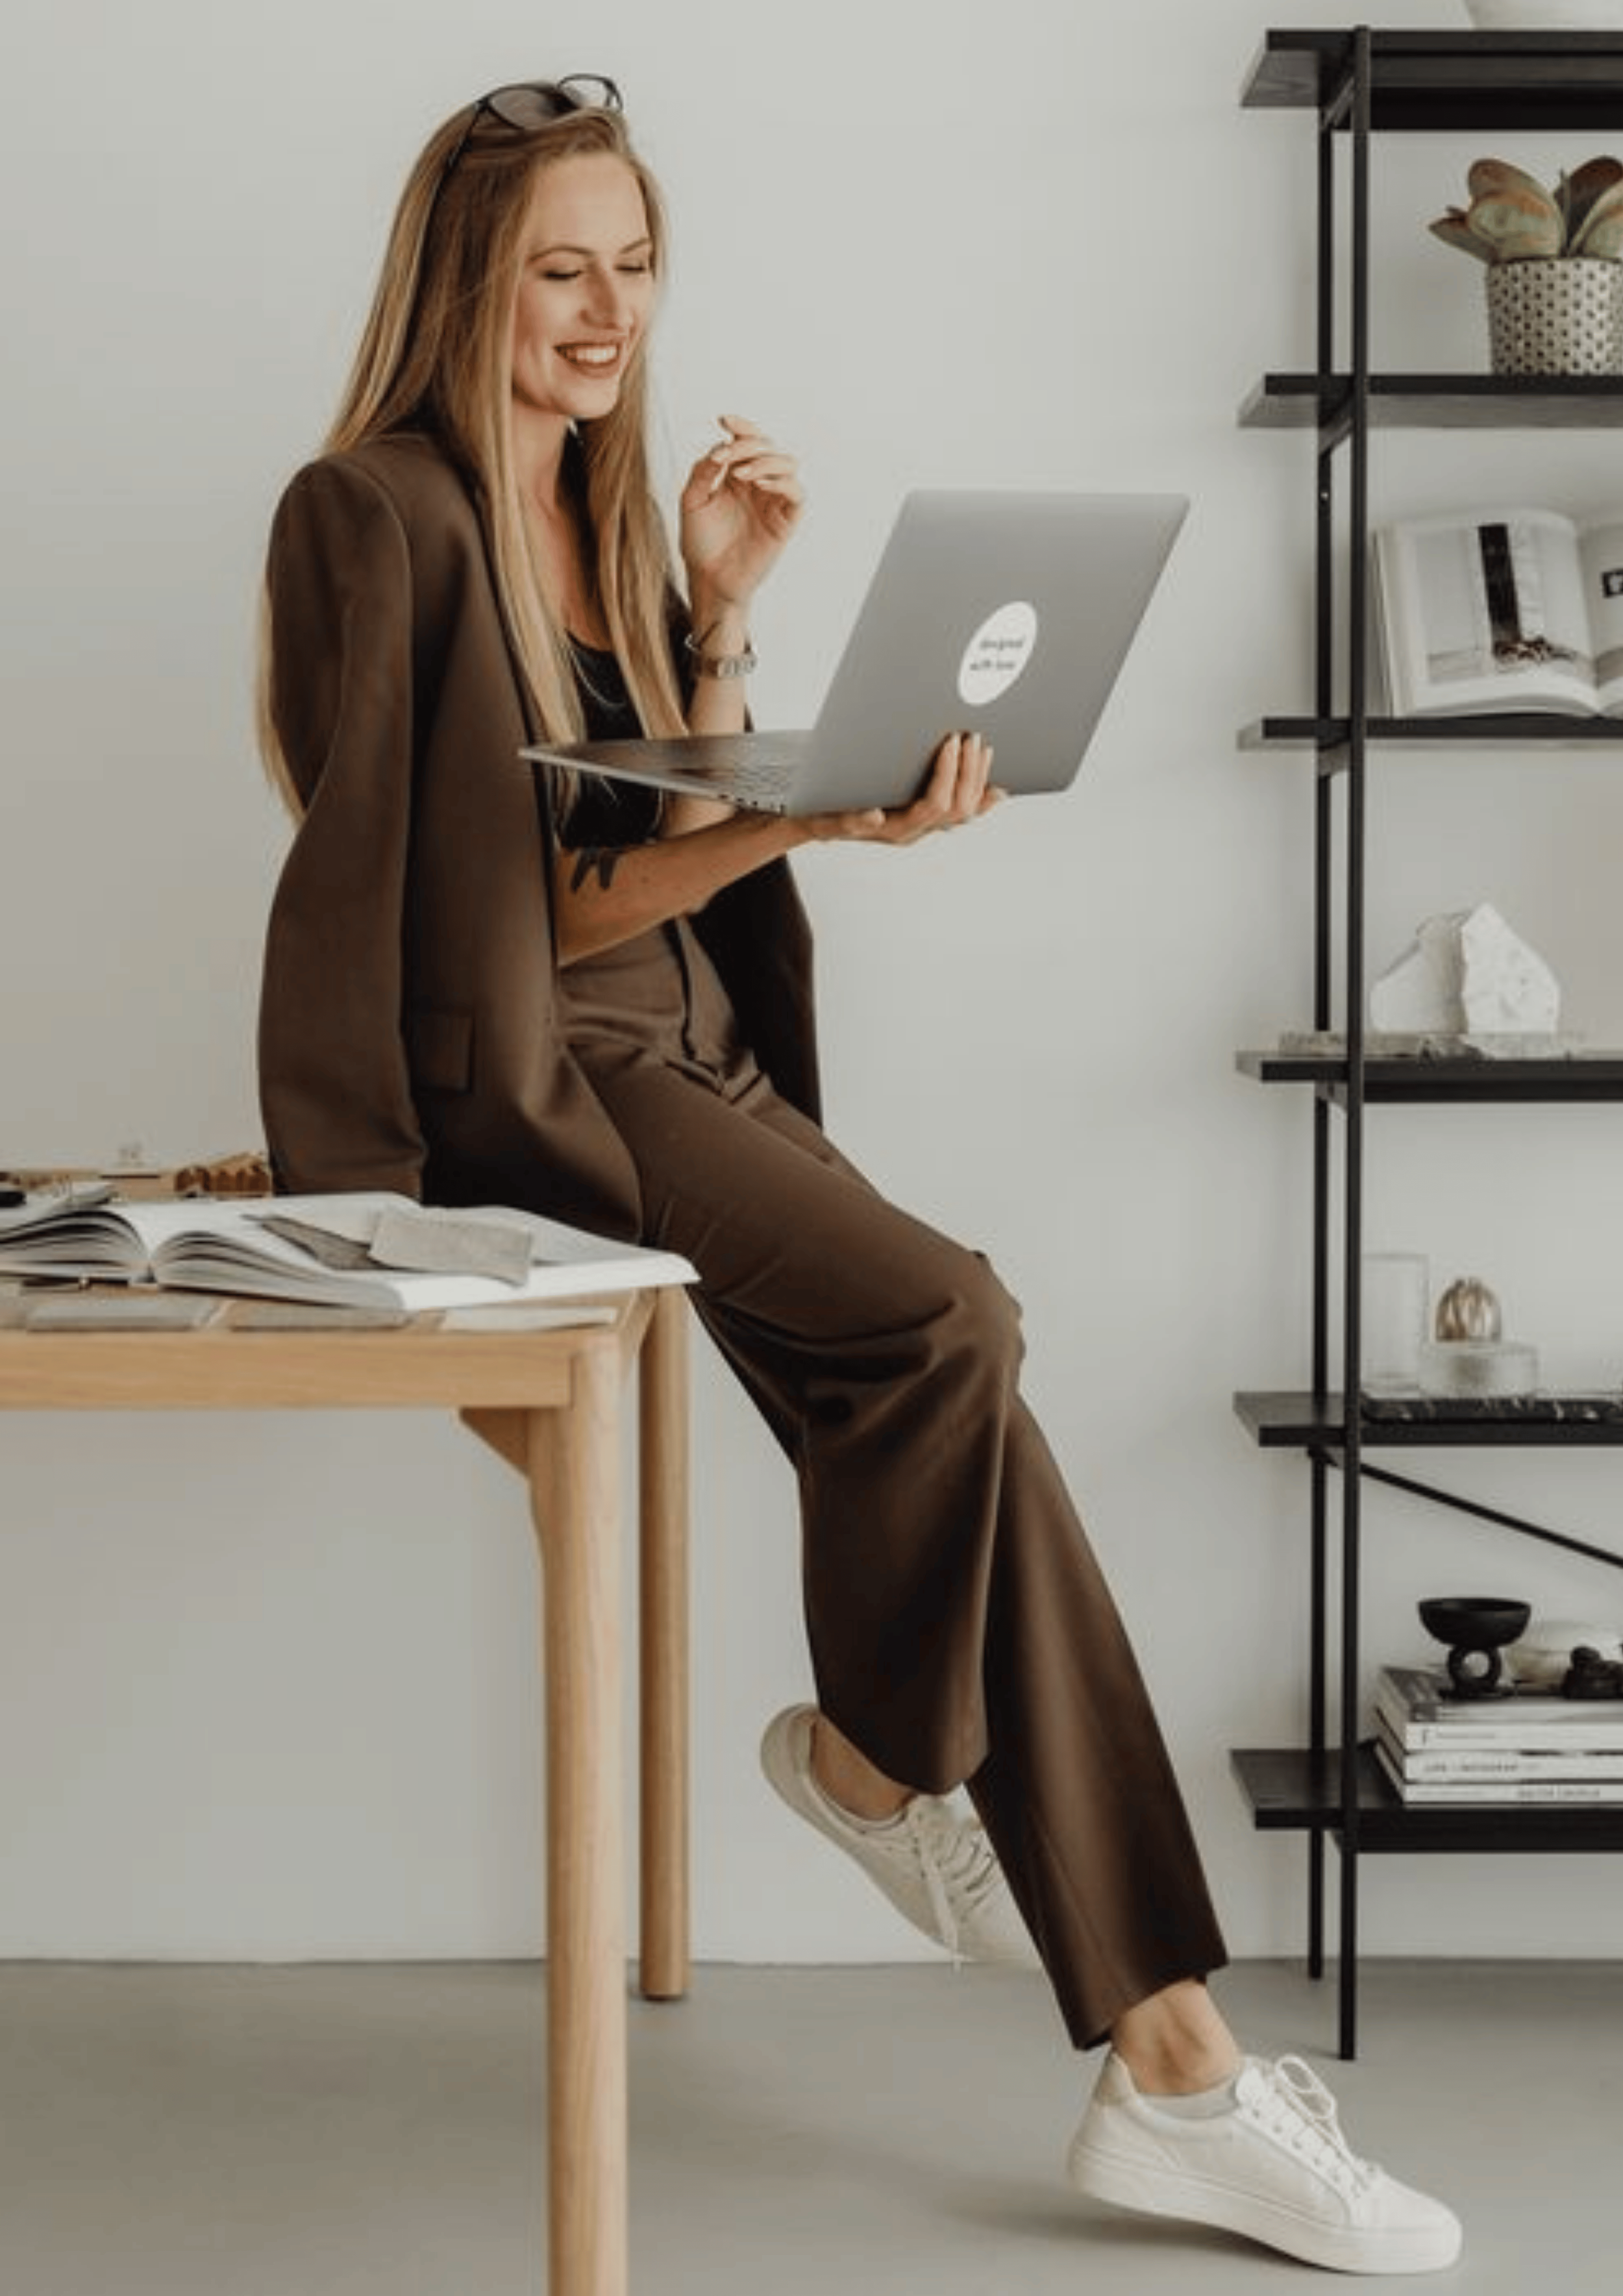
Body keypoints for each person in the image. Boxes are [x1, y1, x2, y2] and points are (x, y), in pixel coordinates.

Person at [254, 77, 1463, 2277]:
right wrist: (817, 814)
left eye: (635, 264)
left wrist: (722, 625)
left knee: (954, 1380)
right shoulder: (377, 517)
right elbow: (496, 924)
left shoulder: (600, 519)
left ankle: (1113, 2001)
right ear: (464, 281)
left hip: (685, 1044)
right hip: (540, 1076)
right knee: (950, 1323)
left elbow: (647, 836)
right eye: (559, 267)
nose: (609, 311)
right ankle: (993, 1878)